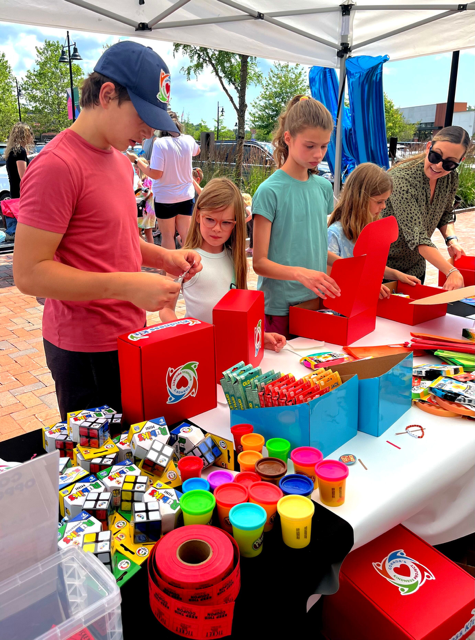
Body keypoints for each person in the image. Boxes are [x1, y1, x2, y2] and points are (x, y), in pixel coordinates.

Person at [13, 41, 202, 419]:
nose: (148, 132)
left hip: (129, 334)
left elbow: (115, 237)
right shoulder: (57, 165)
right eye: (143, 117)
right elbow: (28, 273)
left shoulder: (119, 161)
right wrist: (127, 285)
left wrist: (164, 256)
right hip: (83, 351)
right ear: (107, 94)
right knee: (101, 468)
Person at [159, 177, 287, 353]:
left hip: (230, 351)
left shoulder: (235, 259)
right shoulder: (182, 259)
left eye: (226, 222)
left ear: (235, 225)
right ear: (198, 215)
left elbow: (239, 314)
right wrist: (184, 334)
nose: (217, 228)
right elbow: (165, 310)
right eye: (210, 219)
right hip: (197, 351)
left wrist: (259, 336)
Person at [252, 95, 341, 339]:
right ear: (288, 138)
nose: (318, 154)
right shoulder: (270, 191)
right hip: (280, 308)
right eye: (310, 145)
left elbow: (313, 245)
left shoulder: (323, 187)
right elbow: (259, 263)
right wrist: (301, 273)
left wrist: (350, 264)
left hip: (316, 302)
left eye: (324, 146)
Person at [382, 126, 470, 290]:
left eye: (450, 163)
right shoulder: (402, 179)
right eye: (436, 156)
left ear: (460, 161)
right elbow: (418, 237)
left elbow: (446, 214)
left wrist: (451, 240)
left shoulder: (451, 177)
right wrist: (450, 271)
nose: (438, 165)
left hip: (415, 268)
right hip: (384, 268)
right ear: (428, 146)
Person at [327, 162, 421, 296]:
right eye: (379, 201)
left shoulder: (372, 230)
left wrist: (396, 274)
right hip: (341, 310)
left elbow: (370, 268)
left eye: (385, 201)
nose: (383, 207)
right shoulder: (335, 233)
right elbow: (329, 281)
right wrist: (366, 285)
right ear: (360, 198)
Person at [128, 113, 200, 253]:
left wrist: (136, 161)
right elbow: (198, 151)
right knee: (186, 235)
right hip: (186, 195)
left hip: (165, 198)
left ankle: (168, 271)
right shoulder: (188, 140)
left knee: (168, 236)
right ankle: (189, 269)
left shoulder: (160, 143)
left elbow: (156, 173)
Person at [5, 122, 34, 237]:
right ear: (24, 135)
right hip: (22, 193)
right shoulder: (20, 152)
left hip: (14, 190)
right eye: (30, 134)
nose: (32, 137)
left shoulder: (12, 151)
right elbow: (24, 176)